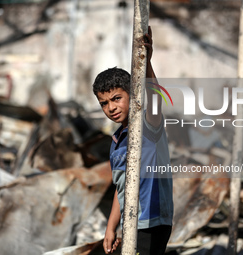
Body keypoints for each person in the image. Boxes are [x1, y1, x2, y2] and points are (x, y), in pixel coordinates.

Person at [92, 26, 173, 255]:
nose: (111, 107)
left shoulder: (148, 128)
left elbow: (156, 101)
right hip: (131, 223)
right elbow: (122, 187)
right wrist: (110, 228)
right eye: (104, 103)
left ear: (133, 94)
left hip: (152, 221)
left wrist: (146, 63)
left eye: (117, 98)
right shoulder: (117, 141)